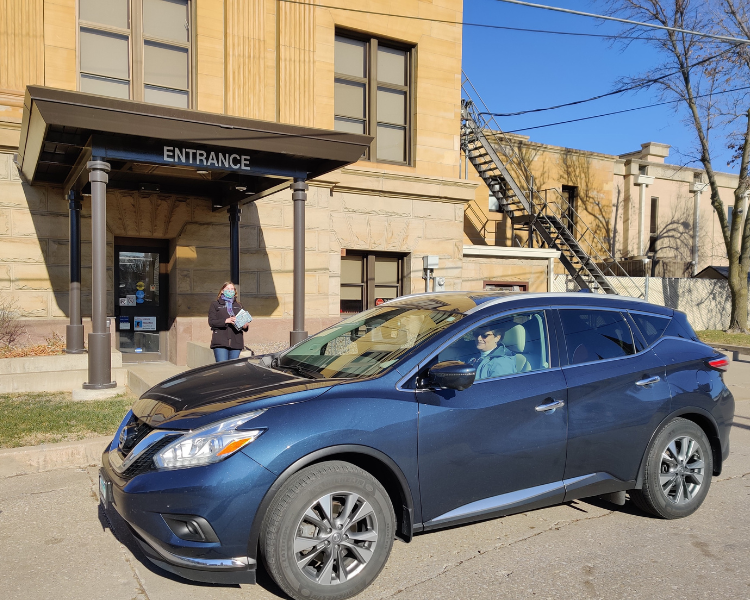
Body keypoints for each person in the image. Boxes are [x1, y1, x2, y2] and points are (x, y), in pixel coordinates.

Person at [208, 282, 249, 362]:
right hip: (220, 341)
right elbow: (212, 322)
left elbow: (245, 323)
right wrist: (226, 321)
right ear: (222, 291)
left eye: (232, 289)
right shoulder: (215, 304)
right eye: (227, 289)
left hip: (236, 341)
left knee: (233, 370)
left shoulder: (239, 305)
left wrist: (245, 326)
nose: (230, 291)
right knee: (222, 369)